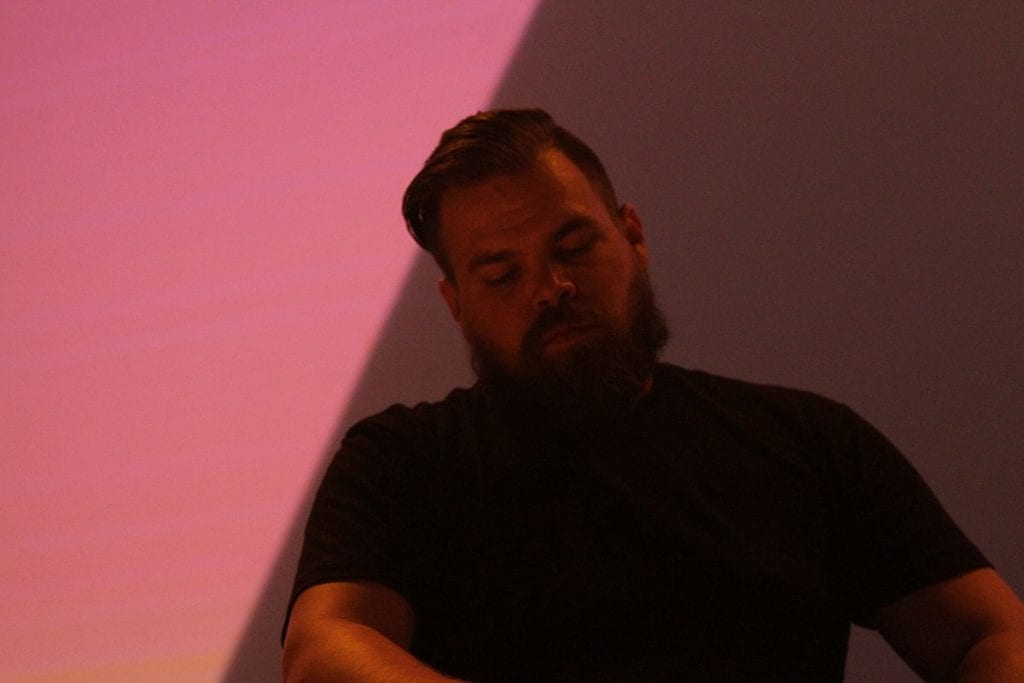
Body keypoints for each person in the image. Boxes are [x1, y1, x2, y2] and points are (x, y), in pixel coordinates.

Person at [282, 109, 1024, 682]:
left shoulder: (811, 442)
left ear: (632, 236)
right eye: (503, 274)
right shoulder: (400, 464)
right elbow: (323, 649)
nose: (551, 288)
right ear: (456, 303)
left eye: (575, 247)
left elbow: (993, 633)